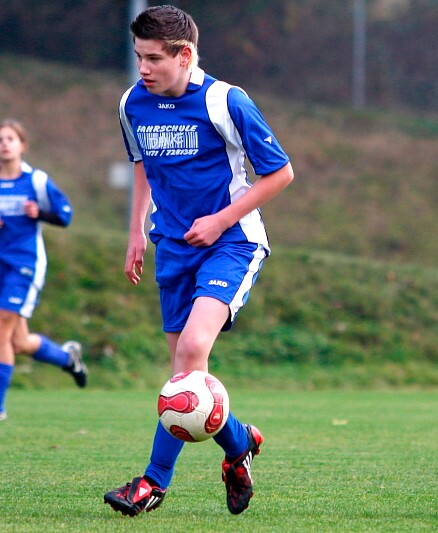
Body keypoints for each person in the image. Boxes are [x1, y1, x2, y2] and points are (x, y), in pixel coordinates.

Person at [103, 5, 294, 517]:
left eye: (154, 59)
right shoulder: (132, 102)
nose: (143, 68)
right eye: (139, 56)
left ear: (185, 55)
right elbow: (142, 164)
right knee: (185, 379)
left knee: (190, 353)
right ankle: (239, 444)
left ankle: (152, 482)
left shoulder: (225, 101)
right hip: (172, 246)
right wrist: (136, 231)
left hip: (232, 243)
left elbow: (280, 173)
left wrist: (219, 220)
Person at [0, 118, 87, 422]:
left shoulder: (36, 181)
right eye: (0, 139)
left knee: (1, 329)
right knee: (17, 342)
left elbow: (65, 215)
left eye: (10, 138)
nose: (4, 144)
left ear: (22, 145)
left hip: (24, 265)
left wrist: (41, 213)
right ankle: (67, 358)